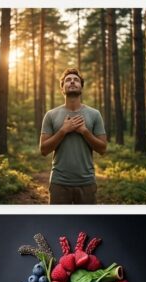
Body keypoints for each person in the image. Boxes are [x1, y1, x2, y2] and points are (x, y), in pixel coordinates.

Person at [39, 68, 107, 205]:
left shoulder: (94, 114)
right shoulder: (51, 115)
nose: (72, 82)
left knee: (87, 225)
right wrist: (63, 130)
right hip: (59, 183)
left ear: (81, 87)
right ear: (62, 88)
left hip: (87, 182)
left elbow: (102, 149)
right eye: (68, 80)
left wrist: (84, 131)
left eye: (76, 80)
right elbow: (43, 150)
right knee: (58, 225)